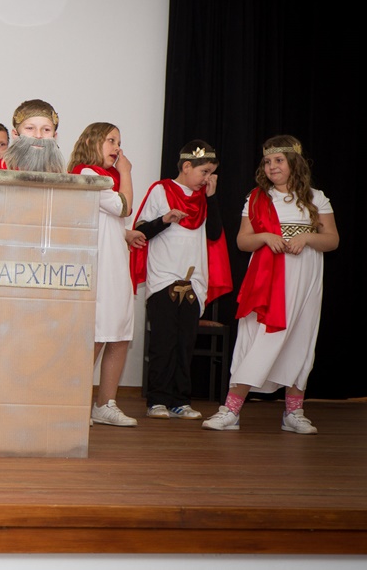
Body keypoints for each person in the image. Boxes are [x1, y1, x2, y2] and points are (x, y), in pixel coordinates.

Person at [203, 136, 338, 434]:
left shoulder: (315, 197)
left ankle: (294, 412)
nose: (272, 166)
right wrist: (265, 237)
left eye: (279, 160)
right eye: (267, 161)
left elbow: (332, 240)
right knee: (258, 340)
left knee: (301, 339)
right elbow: (243, 241)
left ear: (294, 163)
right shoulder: (257, 198)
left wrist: (307, 237)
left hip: (305, 279)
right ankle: (231, 410)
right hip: (266, 282)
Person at [131, 140, 232, 421]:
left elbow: (214, 234)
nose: (207, 178)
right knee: (163, 344)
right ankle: (157, 400)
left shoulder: (204, 198)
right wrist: (165, 219)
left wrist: (211, 197)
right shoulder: (160, 190)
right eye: (204, 171)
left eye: (211, 173)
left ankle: (180, 400)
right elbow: (141, 232)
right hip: (164, 280)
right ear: (187, 166)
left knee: (185, 344)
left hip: (194, 281)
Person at [68, 123, 146, 427]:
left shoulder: (107, 178)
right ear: (92, 141)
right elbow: (123, 207)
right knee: (98, 333)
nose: (117, 148)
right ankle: (73, 403)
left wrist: (123, 234)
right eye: (110, 140)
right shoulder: (88, 174)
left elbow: (107, 219)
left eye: (119, 141)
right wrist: (126, 172)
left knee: (119, 332)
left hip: (115, 262)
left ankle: (105, 404)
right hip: (98, 265)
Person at [0, 99, 62, 170]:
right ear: (15, 134)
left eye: (46, 130)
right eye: (30, 128)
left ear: (54, 136)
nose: (38, 135)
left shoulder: (62, 175)